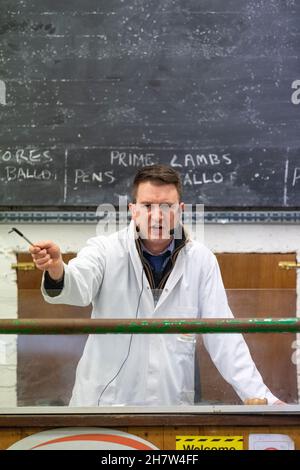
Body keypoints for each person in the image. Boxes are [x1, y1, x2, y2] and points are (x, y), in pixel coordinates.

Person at [30, 164, 281, 406]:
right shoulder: (105, 250)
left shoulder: (201, 260)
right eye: (148, 206)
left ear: (180, 209)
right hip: (104, 405)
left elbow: (223, 335)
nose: (157, 216)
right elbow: (77, 287)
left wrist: (263, 397)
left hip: (168, 406)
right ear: (133, 209)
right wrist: (56, 269)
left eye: (166, 206)